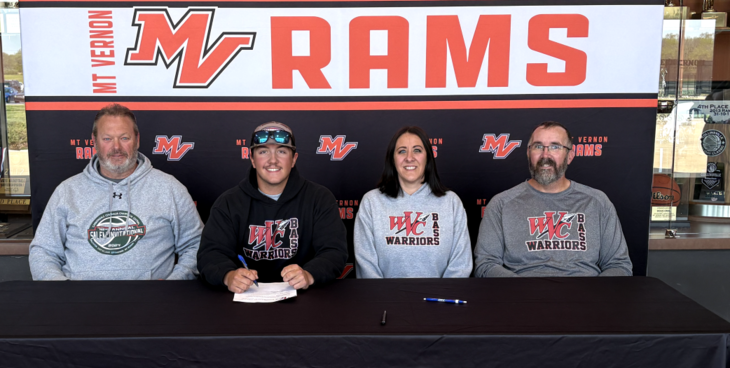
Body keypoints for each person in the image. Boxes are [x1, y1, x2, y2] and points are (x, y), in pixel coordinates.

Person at [29, 104, 203, 280]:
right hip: (80, 302)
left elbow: (196, 245)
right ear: (94, 141)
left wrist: (172, 285)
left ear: (137, 139)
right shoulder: (67, 191)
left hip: (152, 302)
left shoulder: (169, 188)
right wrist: (63, 293)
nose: (116, 147)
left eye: (124, 138)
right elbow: (43, 251)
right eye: (107, 139)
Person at [198, 122, 347, 293]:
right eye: (263, 152)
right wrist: (228, 275)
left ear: (294, 159)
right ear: (252, 160)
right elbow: (210, 254)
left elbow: (334, 251)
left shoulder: (319, 198)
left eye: (282, 151)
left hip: (305, 298)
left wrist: (309, 274)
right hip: (244, 299)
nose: (273, 160)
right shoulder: (228, 203)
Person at [474, 121, 632, 277]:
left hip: (585, 297)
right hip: (523, 297)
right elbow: (486, 264)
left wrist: (591, 296)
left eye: (555, 147)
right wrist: (523, 291)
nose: (545, 155)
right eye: (538, 146)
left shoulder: (597, 202)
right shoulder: (501, 204)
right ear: (528, 154)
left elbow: (618, 265)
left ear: (569, 156)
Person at [354, 126, 472, 278]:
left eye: (417, 150)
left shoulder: (451, 202)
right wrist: (384, 299)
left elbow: (461, 265)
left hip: (438, 300)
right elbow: (366, 265)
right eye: (402, 151)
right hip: (384, 300)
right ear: (393, 159)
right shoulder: (372, 202)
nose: (409, 157)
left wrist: (440, 297)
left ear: (428, 157)